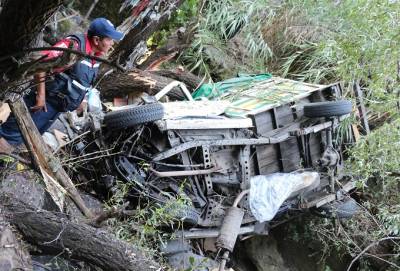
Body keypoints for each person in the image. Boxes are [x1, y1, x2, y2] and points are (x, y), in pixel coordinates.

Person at [0, 17, 123, 154]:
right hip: (42, 102)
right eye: (109, 39)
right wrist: (40, 96)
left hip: (56, 107)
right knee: (11, 135)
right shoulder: (74, 46)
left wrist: (81, 100)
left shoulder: (96, 56)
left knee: (27, 137)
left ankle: (5, 161)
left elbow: (81, 81)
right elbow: (40, 62)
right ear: (96, 40)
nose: (112, 43)